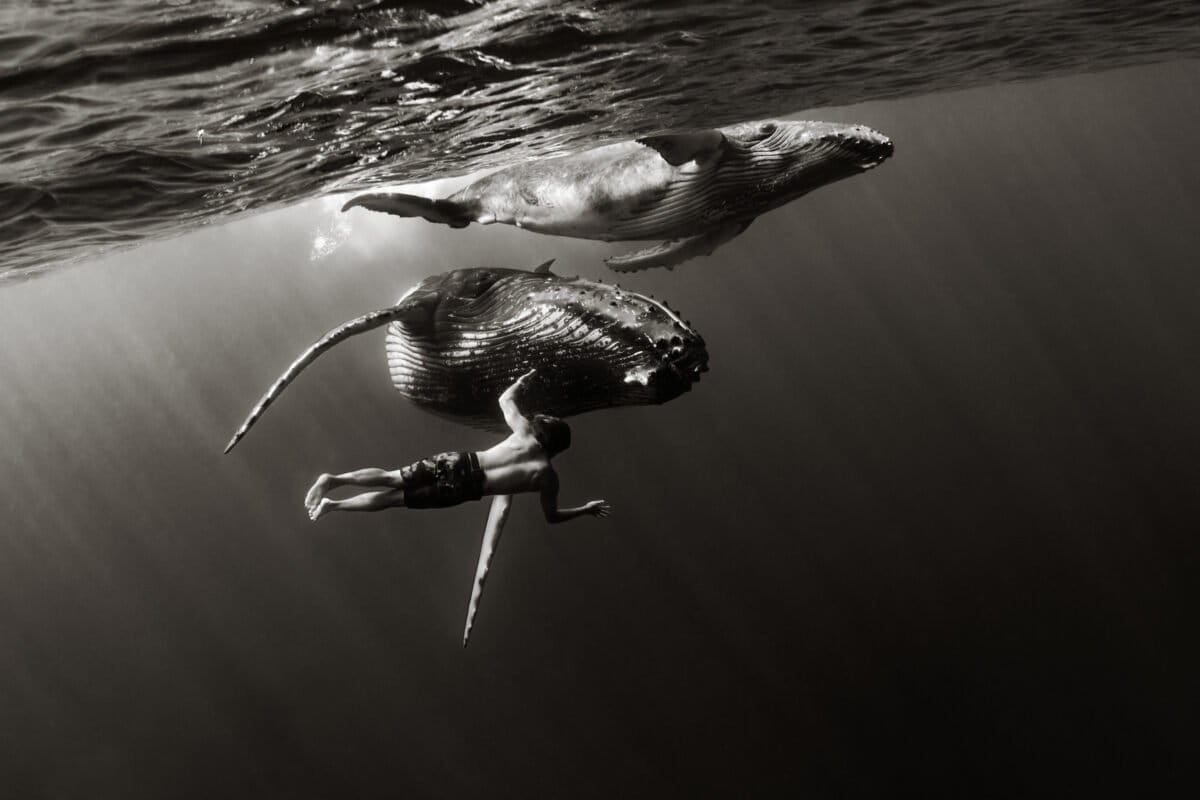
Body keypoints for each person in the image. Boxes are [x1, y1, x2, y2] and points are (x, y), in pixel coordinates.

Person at [304, 369, 610, 523]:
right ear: (558, 448)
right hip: (464, 488)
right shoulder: (547, 477)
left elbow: (505, 399)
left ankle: (333, 481)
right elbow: (552, 517)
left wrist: (522, 381)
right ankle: (335, 506)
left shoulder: (524, 432)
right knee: (395, 500)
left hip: (460, 462)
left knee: (390, 476)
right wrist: (585, 510)